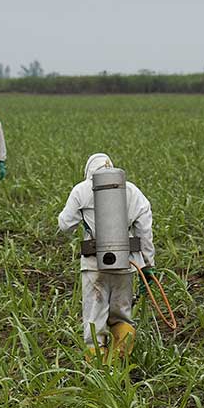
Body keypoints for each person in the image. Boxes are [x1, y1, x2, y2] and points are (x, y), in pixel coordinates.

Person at [58, 153, 156, 360]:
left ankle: (100, 375)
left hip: (94, 267)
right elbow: (145, 230)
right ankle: (119, 367)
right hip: (126, 264)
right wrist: (147, 265)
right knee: (122, 317)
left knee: (94, 322)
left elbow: (65, 225)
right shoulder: (132, 191)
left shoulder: (82, 190)